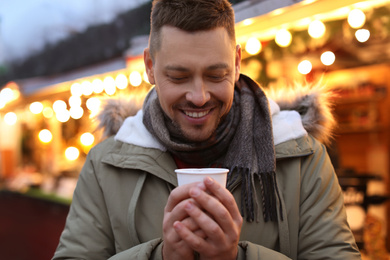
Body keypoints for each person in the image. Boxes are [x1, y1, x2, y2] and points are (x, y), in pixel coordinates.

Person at [53, 0, 361, 259]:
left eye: (216, 75)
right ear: (149, 66)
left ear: (237, 62)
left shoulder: (303, 157)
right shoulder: (105, 165)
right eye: (178, 76)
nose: (199, 96)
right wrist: (160, 256)